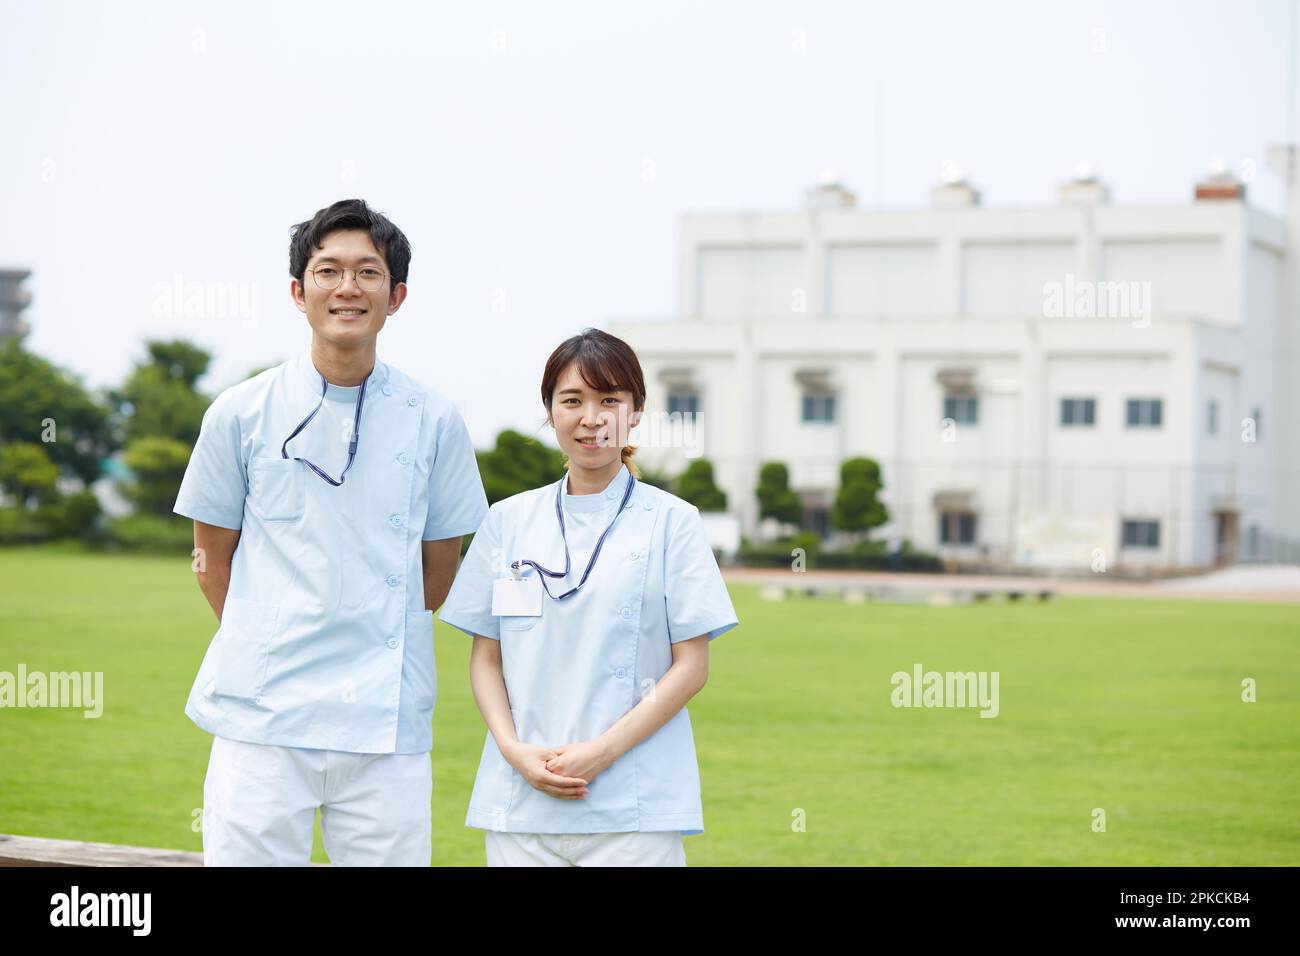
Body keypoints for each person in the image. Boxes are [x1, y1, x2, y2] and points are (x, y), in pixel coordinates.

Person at [173, 198, 487, 866]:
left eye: (368, 273)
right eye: (328, 270)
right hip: (261, 720)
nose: (348, 287)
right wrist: (270, 634)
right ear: (298, 290)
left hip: (384, 725)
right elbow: (209, 557)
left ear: (396, 295)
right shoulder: (239, 413)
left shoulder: (435, 419)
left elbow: (441, 573)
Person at [439, 328, 738, 867]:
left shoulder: (673, 522)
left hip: (634, 808)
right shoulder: (508, 520)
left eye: (610, 401)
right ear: (550, 411)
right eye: (572, 400)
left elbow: (691, 667)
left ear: (637, 411)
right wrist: (512, 751)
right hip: (522, 800)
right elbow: (487, 656)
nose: (591, 418)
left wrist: (600, 754)